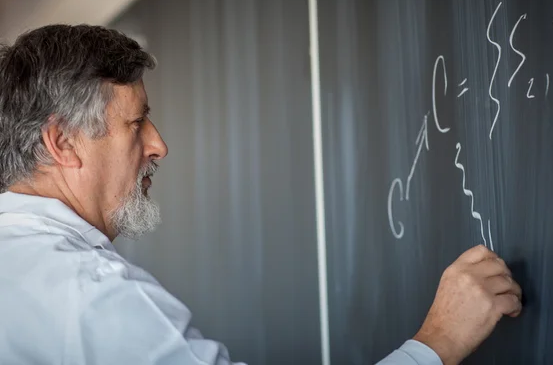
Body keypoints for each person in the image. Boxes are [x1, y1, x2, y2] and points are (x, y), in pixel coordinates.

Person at [0, 25, 522, 365]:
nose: (159, 144)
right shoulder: (89, 294)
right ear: (62, 142)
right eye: (136, 124)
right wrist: (440, 342)